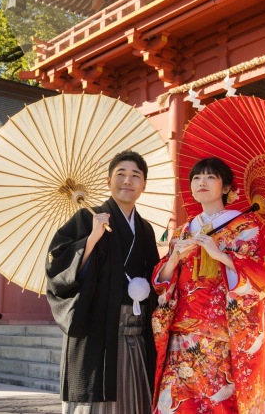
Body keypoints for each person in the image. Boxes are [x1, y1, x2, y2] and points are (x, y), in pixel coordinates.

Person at [151, 157, 265, 413]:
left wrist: (222, 256)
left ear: (226, 187)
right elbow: (162, 282)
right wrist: (174, 258)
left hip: (221, 332)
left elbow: (260, 276)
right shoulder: (183, 230)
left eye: (210, 177)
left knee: (217, 401)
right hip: (182, 332)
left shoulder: (244, 226)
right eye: (196, 178)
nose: (202, 182)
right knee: (177, 401)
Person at [46, 150, 160, 414]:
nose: (127, 181)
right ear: (109, 181)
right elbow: (57, 266)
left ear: (143, 185)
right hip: (98, 332)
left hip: (136, 334)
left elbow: (155, 277)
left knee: (136, 402)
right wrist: (91, 240)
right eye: (120, 174)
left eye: (135, 176)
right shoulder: (88, 218)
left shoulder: (145, 229)